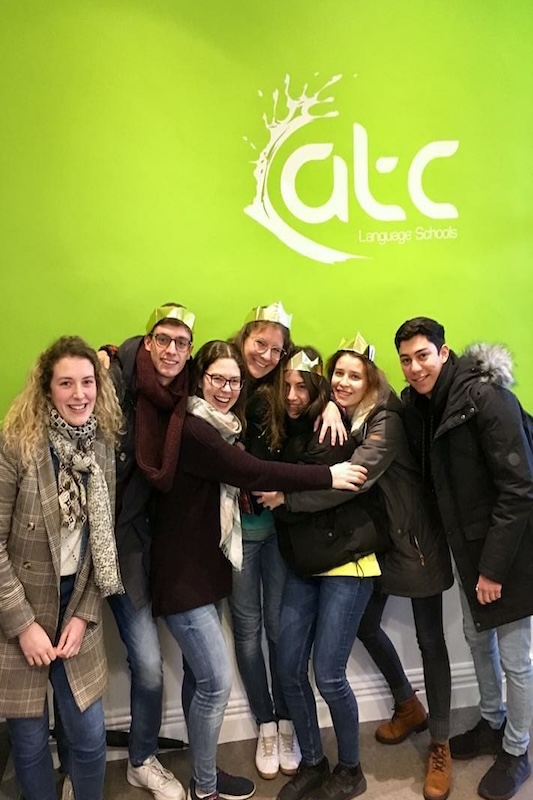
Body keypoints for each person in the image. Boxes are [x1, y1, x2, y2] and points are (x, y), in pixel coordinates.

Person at [149, 339, 365, 800]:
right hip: (189, 569)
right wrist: (329, 476)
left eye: (233, 382)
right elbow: (251, 471)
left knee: (230, 663)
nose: (226, 388)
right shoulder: (199, 429)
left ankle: (215, 770)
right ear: (199, 380)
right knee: (219, 672)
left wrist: (331, 402)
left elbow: (308, 383)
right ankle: (217, 774)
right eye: (217, 379)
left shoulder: (228, 420)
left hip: (221, 559)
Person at [258, 337, 453, 800]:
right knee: (299, 662)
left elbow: (352, 481)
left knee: (421, 642)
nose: (344, 382)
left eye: (354, 375)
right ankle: (327, 753)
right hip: (333, 551)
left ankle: (422, 748)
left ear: (371, 379)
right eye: (338, 375)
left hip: (407, 543)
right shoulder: (329, 415)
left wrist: (287, 498)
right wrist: (328, 404)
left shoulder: (385, 420)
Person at [102, 302, 255, 800]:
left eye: (181, 343)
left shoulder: (188, 400)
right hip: (122, 545)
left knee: (198, 671)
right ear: (147, 343)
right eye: (162, 340)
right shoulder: (120, 379)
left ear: (190, 353)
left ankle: (200, 771)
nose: (171, 350)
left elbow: (251, 383)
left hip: (172, 549)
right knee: (150, 666)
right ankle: (144, 759)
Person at [395, 317, 533, 800]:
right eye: (406, 360)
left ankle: (518, 748)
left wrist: (493, 570)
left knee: (516, 658)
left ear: (444, 351)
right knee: (477, 640)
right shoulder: (425, 405)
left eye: (423, 356)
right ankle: (492, 722)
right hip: (466, 548)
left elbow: (519, 490)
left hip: (509, 551)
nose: (415, 368)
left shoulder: (487, 398)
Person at [0, 336, 123, 800]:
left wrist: (84, 613)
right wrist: (22, 625)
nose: (79, 394)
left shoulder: (102, 447)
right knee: (29, 739)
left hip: (77, 603)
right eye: (66, 383)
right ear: (47, 389)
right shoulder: (17, 447)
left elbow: (100, 543)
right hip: (20, 607)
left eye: (87, 382)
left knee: (89, 736)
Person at [228, 303, 345, 780]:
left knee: (280, 632)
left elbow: (310, 392)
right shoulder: (225, 379)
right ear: (244, 339)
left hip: (278, 535)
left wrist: (332, 402)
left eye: (276, 348)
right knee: (247, 632)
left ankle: (289, 719)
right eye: (260, 343)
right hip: (236, 533)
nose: (267, 354)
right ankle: (265, 722)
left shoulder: (289, 393)